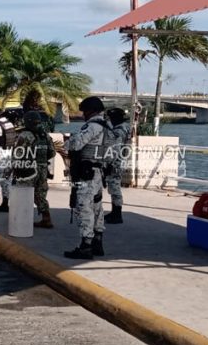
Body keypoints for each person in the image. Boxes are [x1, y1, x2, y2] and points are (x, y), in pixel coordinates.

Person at [63, 96, 113, 259]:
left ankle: (86, 246)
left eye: (84, 111)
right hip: (99, 172)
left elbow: (74, 145)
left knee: (84, 208)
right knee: (97, 208)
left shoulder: (92, 126)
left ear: (91, 111)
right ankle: (98, 243)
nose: (83, 114)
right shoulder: (108, 126)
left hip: (87, 173)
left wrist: (68, 141)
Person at [13, 110, 55, 228]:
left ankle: (22, 220)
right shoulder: (45, 135)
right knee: (40, 194)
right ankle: (46, 218)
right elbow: (52, 153)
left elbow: (17, 153)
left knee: (24, 193)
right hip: (43, 169)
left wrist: (15, 168)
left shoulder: (25, 135)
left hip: (28, 170)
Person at [104, 107, 130, 224]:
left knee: (114, 188)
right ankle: (115, 212)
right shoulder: (124, 127)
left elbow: (115, 148)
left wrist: (109, 163)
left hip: (116, 163)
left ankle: (117, 214)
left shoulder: (119, 130)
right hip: (119, 161)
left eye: (111, 118)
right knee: (114, 187)